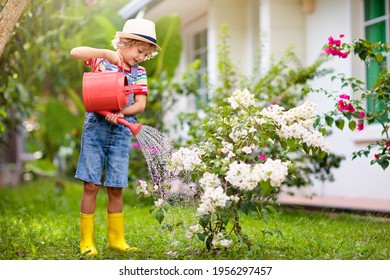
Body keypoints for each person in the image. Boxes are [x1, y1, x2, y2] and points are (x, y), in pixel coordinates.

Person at [70, 18, 161, 256]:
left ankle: (116, 239)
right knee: (90, 184)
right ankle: (87, 242)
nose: (141, 58)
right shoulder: (102, 60)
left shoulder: (139, 72)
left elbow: (140, 104)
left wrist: (122, 112)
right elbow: (74, 52)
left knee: (116, 187)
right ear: (124, 42)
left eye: (146, 55)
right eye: (140, 51)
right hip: (96, 130)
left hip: (121, 131)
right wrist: (104, 53)